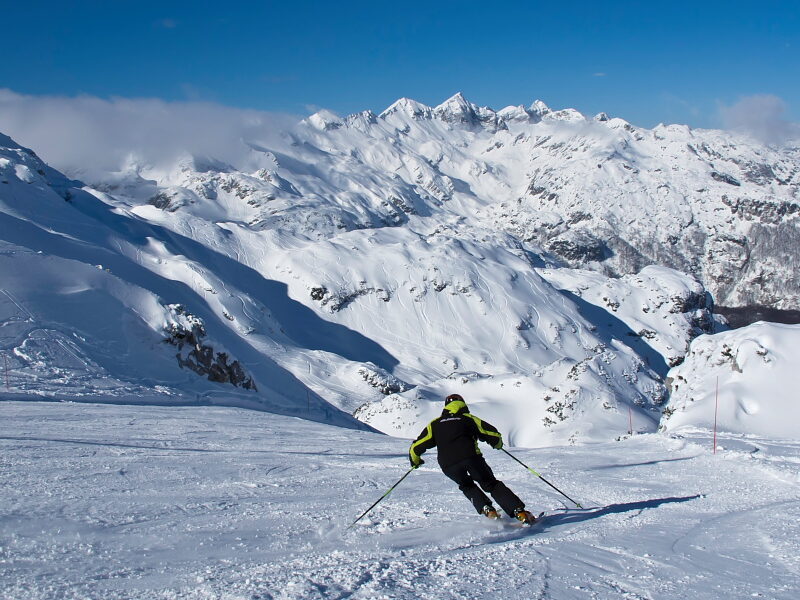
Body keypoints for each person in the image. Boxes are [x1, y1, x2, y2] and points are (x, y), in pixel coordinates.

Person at [408, 393, 538, 524]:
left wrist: (415, 461)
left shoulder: (434, 424)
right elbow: (492, 433)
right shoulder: (468, 418)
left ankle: (488, 510)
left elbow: (416, 447)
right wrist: (496, 444)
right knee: (491, 484)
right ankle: (519, 512)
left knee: (466, 485)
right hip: (470, 458)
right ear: (462, 404)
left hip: (448, 465)